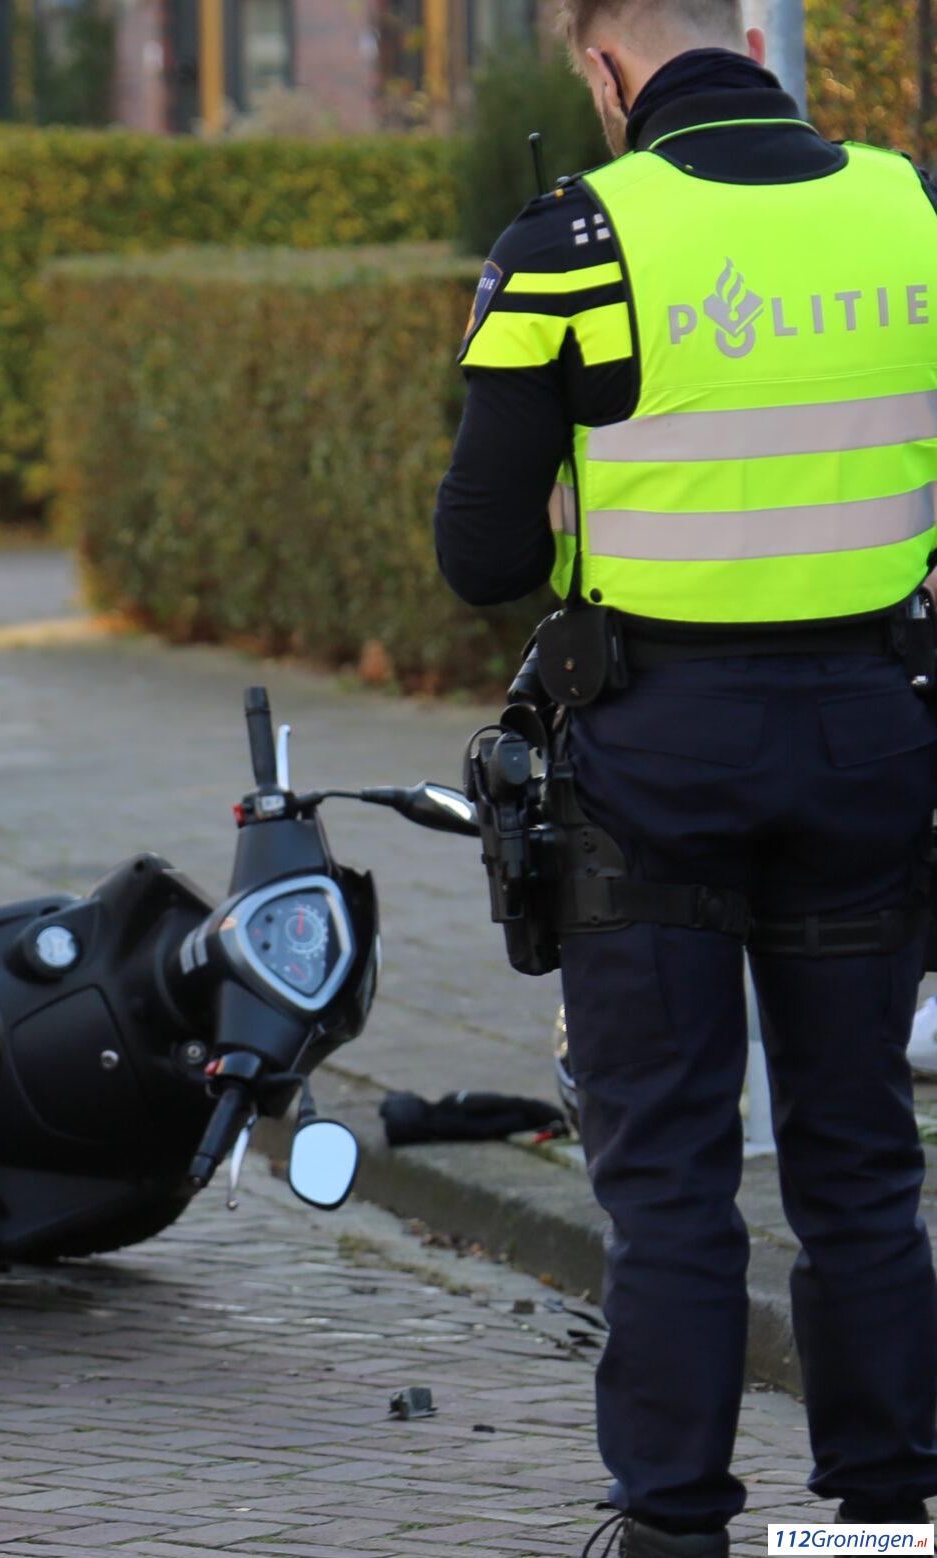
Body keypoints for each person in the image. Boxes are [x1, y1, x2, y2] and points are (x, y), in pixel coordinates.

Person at [432, 2, 937, 1552]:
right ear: (746, 38)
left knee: (673, 1177)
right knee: (862, 1163)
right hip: (871, 738)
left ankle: (678, 1531)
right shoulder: (905, 208)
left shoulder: (575, 238)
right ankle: (879, 1526)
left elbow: (483, 552)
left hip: (657, 759)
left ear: (602, 66)